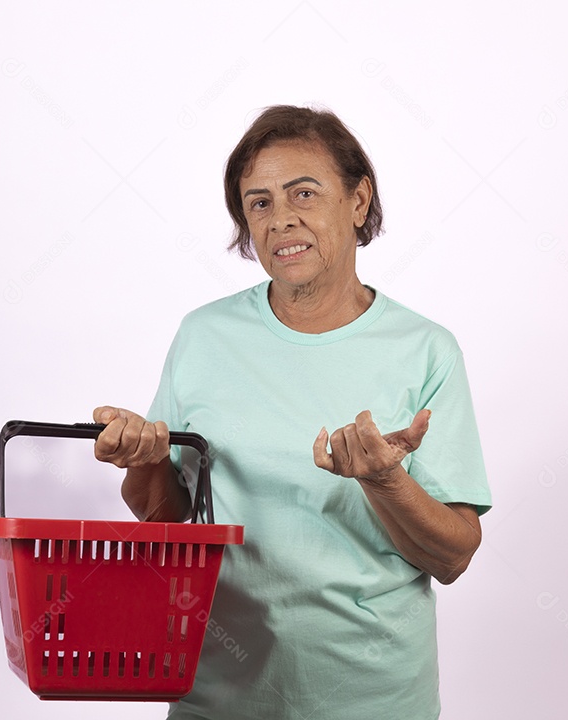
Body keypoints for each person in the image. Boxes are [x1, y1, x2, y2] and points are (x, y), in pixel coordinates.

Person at [93, 105, 491, 719]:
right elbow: (169, 523)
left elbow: (454, 556)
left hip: (371, 698)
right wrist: (145, 463)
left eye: (303, 193)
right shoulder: (204, 336)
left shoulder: (425, 351)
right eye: (259, 203)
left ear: (358, 203)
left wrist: (384, 481)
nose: (281, 220)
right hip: (215, 694)